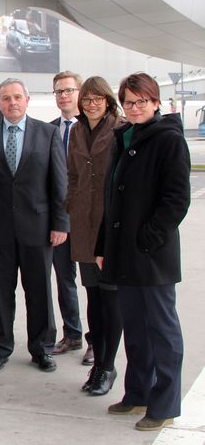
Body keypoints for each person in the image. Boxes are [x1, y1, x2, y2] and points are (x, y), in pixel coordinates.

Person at [97, 72, 190, 432]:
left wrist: (147, 238)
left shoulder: (168, 140)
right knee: (135, 328)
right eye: (129, 102)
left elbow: (176, 200)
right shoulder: (124, 137)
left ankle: (164, 403)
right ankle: (138, 393)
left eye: (141, 101)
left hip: (151, 255)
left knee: (162, 331)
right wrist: (104, 244)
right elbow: (112, 199)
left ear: (156, 103)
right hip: (124, 254)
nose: (134, 108)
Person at [0, 78, 68, 373]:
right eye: (6, 98)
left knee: (39, 291)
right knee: (1, 292)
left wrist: (60, 223)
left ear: (27, 100)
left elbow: (59, 184)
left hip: (39, 229)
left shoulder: (48, 133)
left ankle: (42, 348)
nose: (12, 103)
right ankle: (1, 347)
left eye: (17, 97)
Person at [65, 76, 126, 397]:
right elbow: (71, 173)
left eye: (97, 98)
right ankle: (98, 361)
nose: (91, 103)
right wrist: (71, 200)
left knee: (110, 296)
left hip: (109, 225)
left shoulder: (120, 129)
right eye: (86, 99)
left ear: (107, 100)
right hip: (83, 225)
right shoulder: (75, 130)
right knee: (93, 295)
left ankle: (107, 366)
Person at [49, 71, 85, 360]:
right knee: (64, 281)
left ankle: (98, 341)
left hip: (88, 222)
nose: (63, 96)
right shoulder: (49, 130)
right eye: (59, 91)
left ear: (80, 93)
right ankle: (72, 334)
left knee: (96, 286)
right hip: (60, 220)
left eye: (69, 90)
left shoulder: (93, 128)